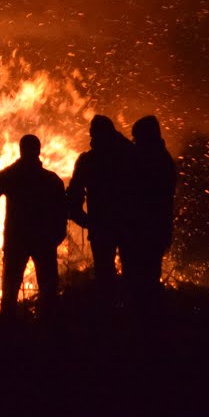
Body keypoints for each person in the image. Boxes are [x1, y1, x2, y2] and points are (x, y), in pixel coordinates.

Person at [0, 133, 68, 318]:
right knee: (48, 289)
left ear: (21, 151)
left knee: (10, 289)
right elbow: (62, 213)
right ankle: (48, 329)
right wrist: (56, 237)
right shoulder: (51, 180)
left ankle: (8, 331)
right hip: (44, 241)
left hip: (18, 240)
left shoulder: (14, 176)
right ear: (38, 151)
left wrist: (16, 166)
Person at [67, 115, 136, 295]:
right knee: (133, 274)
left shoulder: (89, 160)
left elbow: (74, 195)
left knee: (105, 276)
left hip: (104, 227)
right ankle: (132, 315)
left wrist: (86, 221)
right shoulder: (132, 155)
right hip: (128, 225)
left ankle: (109, 315)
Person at [123, 115, 178, 298]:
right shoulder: (159, 158)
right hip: (155, 230)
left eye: (136, 137)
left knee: (141, 279)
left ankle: (144, 318)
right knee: (146, 278)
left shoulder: (154, 162)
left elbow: (141, 194)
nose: (134, 142)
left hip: (147, 231)